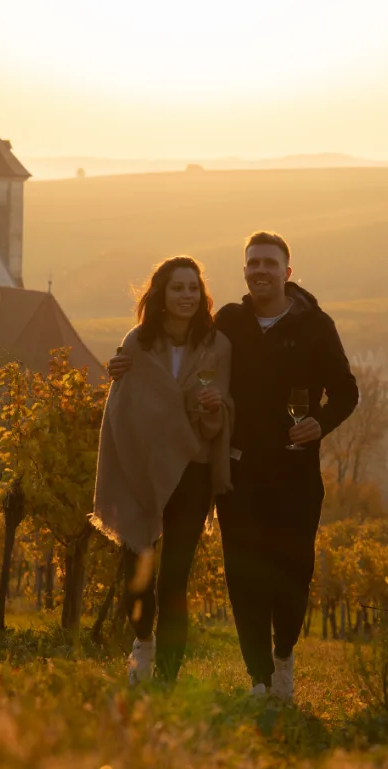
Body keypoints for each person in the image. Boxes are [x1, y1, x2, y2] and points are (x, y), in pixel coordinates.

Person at [109, 232, 358, 701]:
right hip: (237, 474)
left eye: (269, 263)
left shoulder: (316, 326)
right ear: (244, 272)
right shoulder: (230, 322)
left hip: (295, 474)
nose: (259, 271)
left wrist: (319, 424)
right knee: (243, 578)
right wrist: (125, 365)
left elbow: (346, 391)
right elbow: (171, 354)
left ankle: (284, 656)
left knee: (293, 572)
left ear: (287, 272)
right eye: (252, 264)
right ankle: (261, 679)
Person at [92, 255, 233, 685]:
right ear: (161, 296)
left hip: (191, 468)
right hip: (142, 466)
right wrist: (114, 379)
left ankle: (168, 676)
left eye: (194, 288)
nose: (187, 295)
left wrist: (213, 410)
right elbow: (124, 405)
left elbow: (219, 410)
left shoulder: (216, 346)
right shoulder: (137, 343)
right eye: (178, 288)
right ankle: (143, 645)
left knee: (174, 577)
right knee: (138, 566)